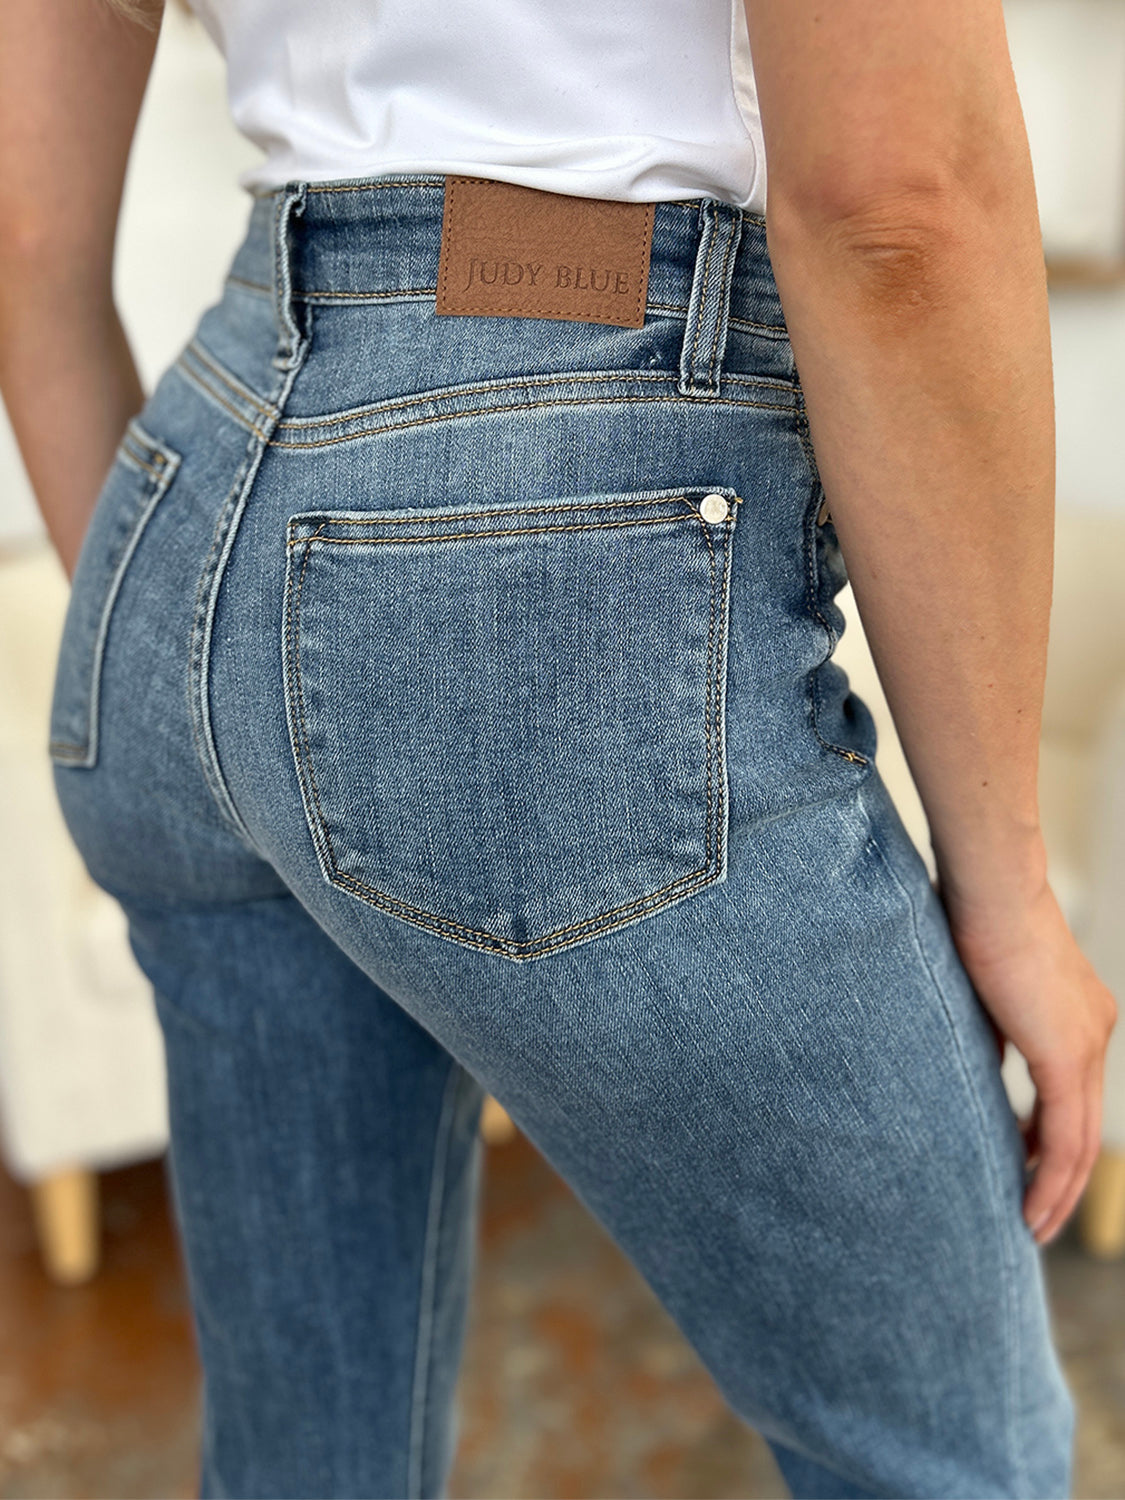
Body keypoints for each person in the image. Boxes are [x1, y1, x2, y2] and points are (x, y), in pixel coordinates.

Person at [0, 0, 1116, 1495]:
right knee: (949, 1462)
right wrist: (1008, 887)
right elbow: (892, 200)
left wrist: (186, 659)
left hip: (192, 476)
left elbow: (20, 231)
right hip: (542, 519)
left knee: (300, 1466)